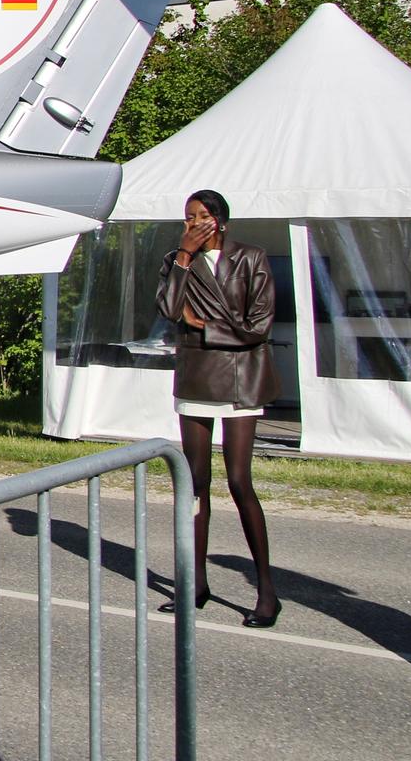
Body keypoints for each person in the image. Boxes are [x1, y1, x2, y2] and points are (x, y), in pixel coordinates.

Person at [155, 189, 282, 627]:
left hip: (240, 378)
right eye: (189, 216)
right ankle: (195, 583)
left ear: (222, 221)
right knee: (195, 484)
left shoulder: (251, 257)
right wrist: (184, 260)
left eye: (203, 216)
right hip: (194, 377)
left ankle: (266, 591)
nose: (195, 223)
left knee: (239, 480)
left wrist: (204, 325)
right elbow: (169, 309)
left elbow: (259, 325)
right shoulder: (177, 259)